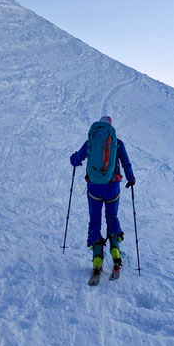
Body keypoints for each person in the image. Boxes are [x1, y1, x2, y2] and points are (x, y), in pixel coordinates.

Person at [70, 116, 135, 274]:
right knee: (112, 218)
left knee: (95, 220)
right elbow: (126, 163)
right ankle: (116, 252)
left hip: (94, 188)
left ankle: (97, 259)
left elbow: (76, 160)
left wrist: (74, 158)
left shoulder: (91, 141)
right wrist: (131, 178)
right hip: (112, 187)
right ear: (111, 127)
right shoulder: (117, 143)